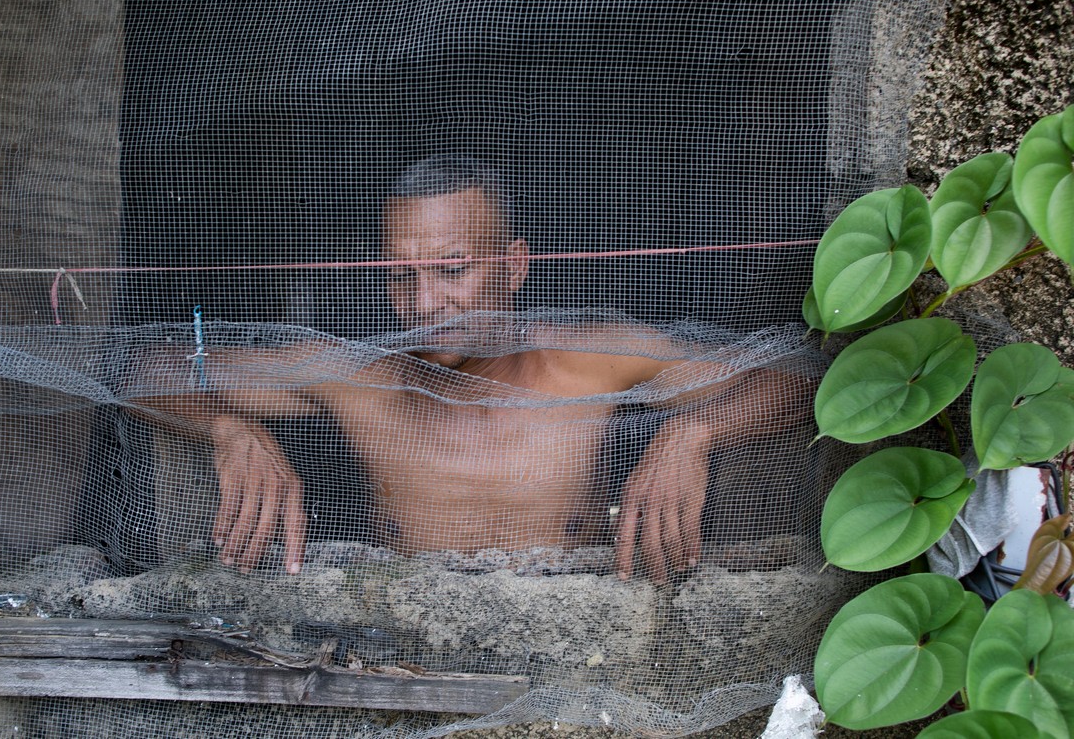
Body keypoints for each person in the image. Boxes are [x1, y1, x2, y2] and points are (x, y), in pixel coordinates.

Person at [132, 155, 812, 584]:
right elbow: (143, 371)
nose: (425, 305)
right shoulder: (358, 379)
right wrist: (229, 430)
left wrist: (694, 435)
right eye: (401, 277)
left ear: (514, 267)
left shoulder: (593, 358)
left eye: (453, 270)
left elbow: (801, 378)